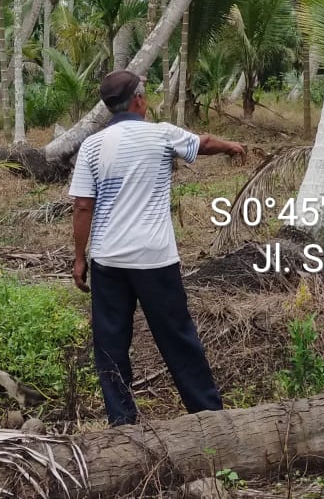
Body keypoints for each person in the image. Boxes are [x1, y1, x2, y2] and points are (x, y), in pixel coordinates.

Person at [69, 69, 246, 426]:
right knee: (177, 337)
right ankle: (208, 416)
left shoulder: (92, 146)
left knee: (111, 344)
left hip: (109, 259)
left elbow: (82, 206)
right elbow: (204, 142)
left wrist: (78, 258)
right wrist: (232, 146)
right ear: (138, 99)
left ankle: (122, 420)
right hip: (155, 259)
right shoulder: (161, 135)